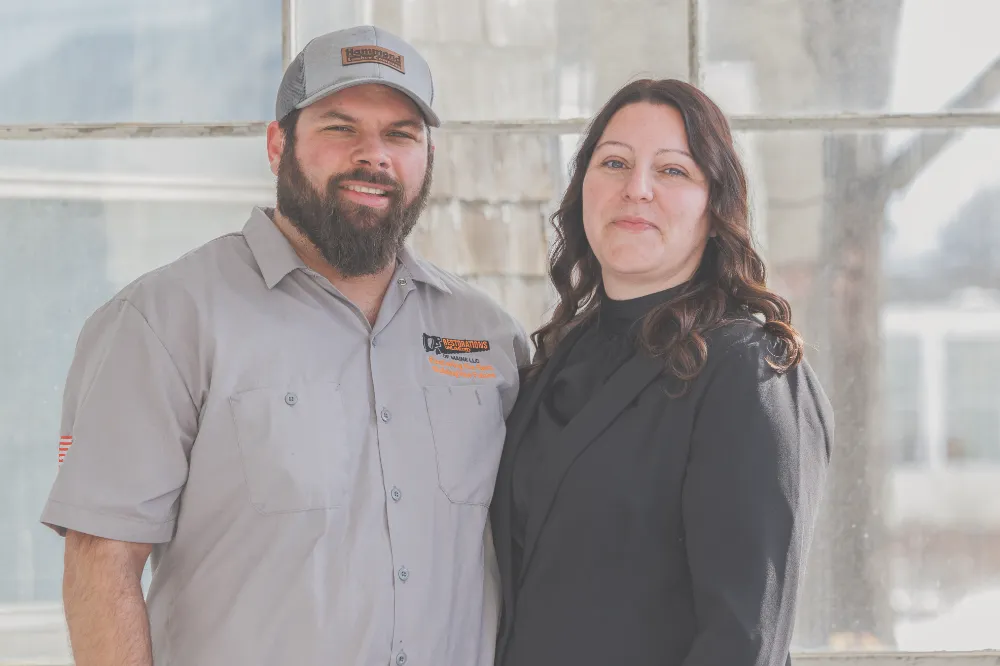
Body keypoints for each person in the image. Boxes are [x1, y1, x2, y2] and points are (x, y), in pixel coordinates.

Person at [41, 25, 528, 666]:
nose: (373, 155)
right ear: (277, 145)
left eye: (401, 134)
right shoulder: (164, 320)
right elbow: (101, 561)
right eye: (339, 127)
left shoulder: (490, 336)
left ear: (426, 158)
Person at [490, 78, 834, 666]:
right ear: (583, 192)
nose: (637, 189)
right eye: (614, 163)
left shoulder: (750, 369)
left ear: (715, 206)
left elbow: (743, 639)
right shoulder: (560, 355)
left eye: (673, 171)